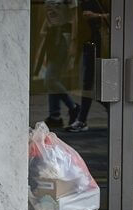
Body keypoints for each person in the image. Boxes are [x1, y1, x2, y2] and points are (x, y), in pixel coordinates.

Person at [67, 0, 110, 132]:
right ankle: (82, 119)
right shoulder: (82, 2)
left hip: (102, 44)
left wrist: (95, 15)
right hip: (88, 44)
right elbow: (77, 23)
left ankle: (114, 113)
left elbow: (116, 16)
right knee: (87, 83)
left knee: (100, 84)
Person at [42, 0, 81, 129]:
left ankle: (73, 107)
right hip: (52, 35)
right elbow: (49, 15)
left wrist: (74, 42)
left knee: (50, 79)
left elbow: (75, 18)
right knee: (52, 79)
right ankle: (55, 116)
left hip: (64, 35)